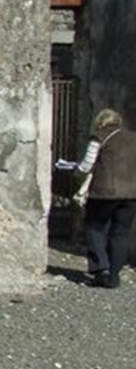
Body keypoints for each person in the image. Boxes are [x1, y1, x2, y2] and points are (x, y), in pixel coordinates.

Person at [59, 108, 136, 288]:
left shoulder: (99, 137)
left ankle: (101, 269)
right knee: (121, 232)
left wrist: (75, 173)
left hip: (104, 192)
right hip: (132, 193)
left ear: (100, 122)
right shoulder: (133, 138)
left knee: (94, 227)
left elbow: (86, 165)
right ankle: (114, 275)